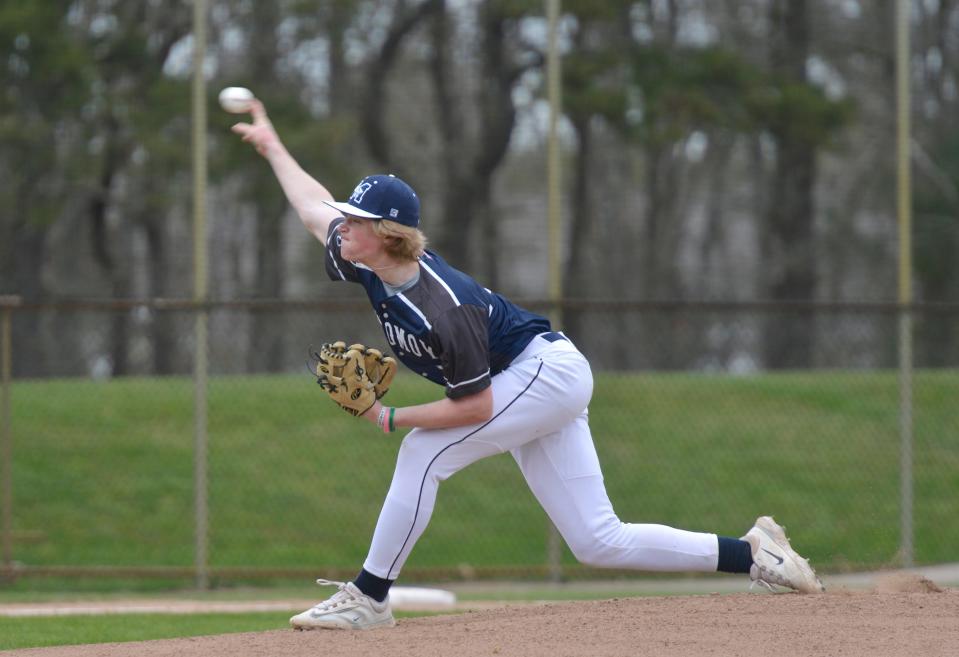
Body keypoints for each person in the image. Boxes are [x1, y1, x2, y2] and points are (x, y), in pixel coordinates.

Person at [231, 101, 824, 631]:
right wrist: (272, 145)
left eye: (356, 222)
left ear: (387, 236)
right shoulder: (368, 262)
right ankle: (755, 554)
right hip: (534, 382)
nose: (344, 228)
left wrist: (391, 417)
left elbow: (476, 406)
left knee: (422, 452)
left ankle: (370, 596)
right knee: (597, 542)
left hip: (543, 374)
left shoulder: (445, 308)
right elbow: (312, 209)